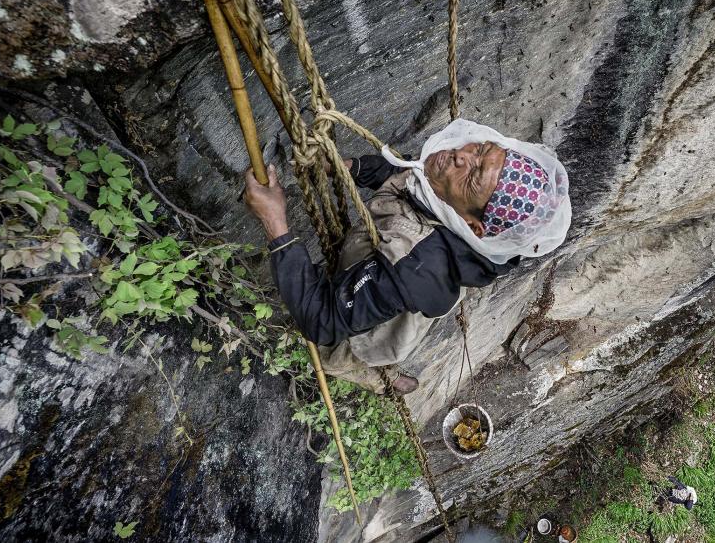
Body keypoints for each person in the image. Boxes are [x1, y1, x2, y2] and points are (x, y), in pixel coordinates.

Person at [244, 119, 571, 394]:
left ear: (473, 225)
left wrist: (276, 223)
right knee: (381, 320)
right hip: (387, 288)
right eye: (481, 150)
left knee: (342, 352)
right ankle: (387, 369)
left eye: (473, 175)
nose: (460, 155)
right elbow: (408, 176)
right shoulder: (447, 189)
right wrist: (350, 169)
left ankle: (377, 377)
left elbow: (322, 321)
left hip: (383, 301)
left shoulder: (416, 267)